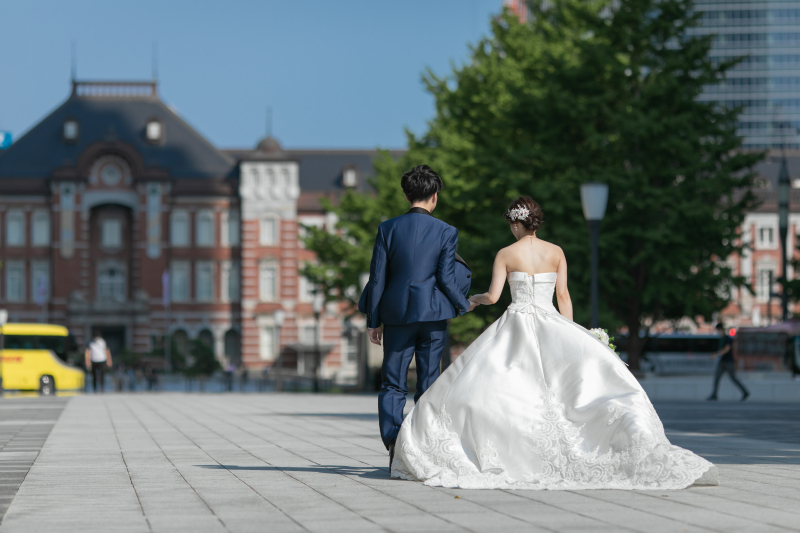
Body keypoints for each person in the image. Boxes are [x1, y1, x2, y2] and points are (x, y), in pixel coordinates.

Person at [391, 197, 718, 490]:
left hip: (517, 323)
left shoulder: (506, 254)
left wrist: (472, 300)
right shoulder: (556, 252)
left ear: (517, 223)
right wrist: (573, 333)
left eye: (511, 225)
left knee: (497, 386)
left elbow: (493, 296)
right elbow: (564, 297)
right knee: (563, 389)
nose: (511, 230)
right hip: (550, 321)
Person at [358, 165, 475, 470]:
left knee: (393, 384)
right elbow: (447, 278)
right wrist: (463, 305)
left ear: (406, 194)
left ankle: (395, 443)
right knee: (430, 382)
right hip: (434, 315)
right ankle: (422, 444)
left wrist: (373, 320)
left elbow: (378, 277)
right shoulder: (447, 231)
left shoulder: (387, 228)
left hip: (396, 316)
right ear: (434, 196)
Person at [707, 323, 749, 401]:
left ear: (721, 329)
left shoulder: (727, 338)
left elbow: (727, 349)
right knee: (717, 378)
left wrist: (716, 354)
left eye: (718, 330)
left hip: (728, 362)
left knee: (733, 378)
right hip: (722, 361)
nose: (718, 332)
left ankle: (745, 392)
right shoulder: (721, 339)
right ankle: (714, 394)